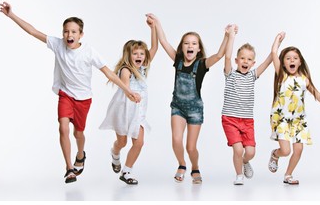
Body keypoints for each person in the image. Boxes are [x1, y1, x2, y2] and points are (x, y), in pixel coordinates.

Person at [0, 2, 140, 184]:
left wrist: (127, 90)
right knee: (63, 128)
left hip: (84, 99)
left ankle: (80, 155)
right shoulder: (58, 45)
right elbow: (33, 32)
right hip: (65, 95)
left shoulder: (89, 52)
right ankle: (69, 169)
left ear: (81, 34)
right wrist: (12, 15)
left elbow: (108, 73)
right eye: (66, 31)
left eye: (73, 31)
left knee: (78, 134)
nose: (69, 35)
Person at [148, 14, 228, 184]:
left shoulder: (202, 65)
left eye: (194, 43)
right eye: (186, 43)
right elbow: (163, 42)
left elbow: (220, 55)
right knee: (176, 140)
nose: (190, 46)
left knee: (191, 147)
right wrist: (157, 23)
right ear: (182, 48)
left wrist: (227, 36)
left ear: (198, 49)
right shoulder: (177, 60)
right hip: (177, 106)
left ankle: (195, 167)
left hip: (195, 110)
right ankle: (182, 164)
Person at [99, 14, 158, 185]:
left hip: (138, 114)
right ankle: (115, 153)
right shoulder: (126, 70)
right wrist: (132, 94)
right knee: (122, 142)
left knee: (139, 143)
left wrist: (153, 27)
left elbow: (154, 47)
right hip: (124, 112)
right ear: (128, 55)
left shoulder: (144, 68)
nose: (139, 56)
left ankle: (127, 171)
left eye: (141, 54)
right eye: (135, 53)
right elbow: (126, 89)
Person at [268, 32, 320, 185]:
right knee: (286, 151)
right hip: (282, 119)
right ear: (283, 63)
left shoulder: (304, 80)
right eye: (288, 58)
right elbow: (274, 53)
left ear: (300, 62)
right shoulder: (282, 76)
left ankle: (288, 175)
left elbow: (315, 92)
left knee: (298, 150)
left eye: (295, 58)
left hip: (299, 120)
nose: (292, 60)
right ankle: (275, 155)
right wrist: (277, 40)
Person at [221, 25, 280, 185]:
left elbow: (268, 62)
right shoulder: (230, 74)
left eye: (249, 59)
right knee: (238, 150)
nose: (245, 61)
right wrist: (231, 36)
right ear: (237, 60)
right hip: (230, 119)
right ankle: (239, 175)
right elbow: (226, 57)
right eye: (242, 58)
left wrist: (276, 44)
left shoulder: (253, 76)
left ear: (253, 63)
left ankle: (245, 162)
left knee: (250, 153)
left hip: (247, 121)